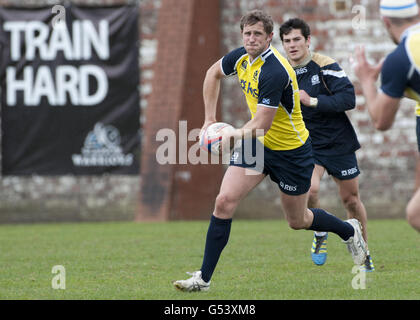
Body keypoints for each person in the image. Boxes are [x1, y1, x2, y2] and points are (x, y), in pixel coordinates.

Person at [173, 10, 367, 292]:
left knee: (298, 221)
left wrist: (232, 135)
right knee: (224, 201)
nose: (251, 39)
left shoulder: (275, 70)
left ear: (268, 37)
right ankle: (203, 279)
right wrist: (209, 120)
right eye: (247, 33)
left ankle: (349, 230)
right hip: (258, 146)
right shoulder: (239, 57)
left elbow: (262, 123)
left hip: (291, 151)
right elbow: (211, 74)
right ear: (242, 35)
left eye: (258, 34)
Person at [280, 18, 374, 271]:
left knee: (351, 201)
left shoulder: (325, 65)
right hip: (308, 145)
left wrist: (312, 101)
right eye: (287, 41)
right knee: (310, 191)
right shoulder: (280, 71)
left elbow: (348, 98)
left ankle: (364, 253)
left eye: (297, 39)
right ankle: (319, 230)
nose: (292, 45)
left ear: (308, 40)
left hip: (338, 142)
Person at [353, 0, 420, 232]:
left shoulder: (400, 59)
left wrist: (366, 80)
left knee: (416, 215)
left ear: (386, 21)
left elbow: (381, 120)